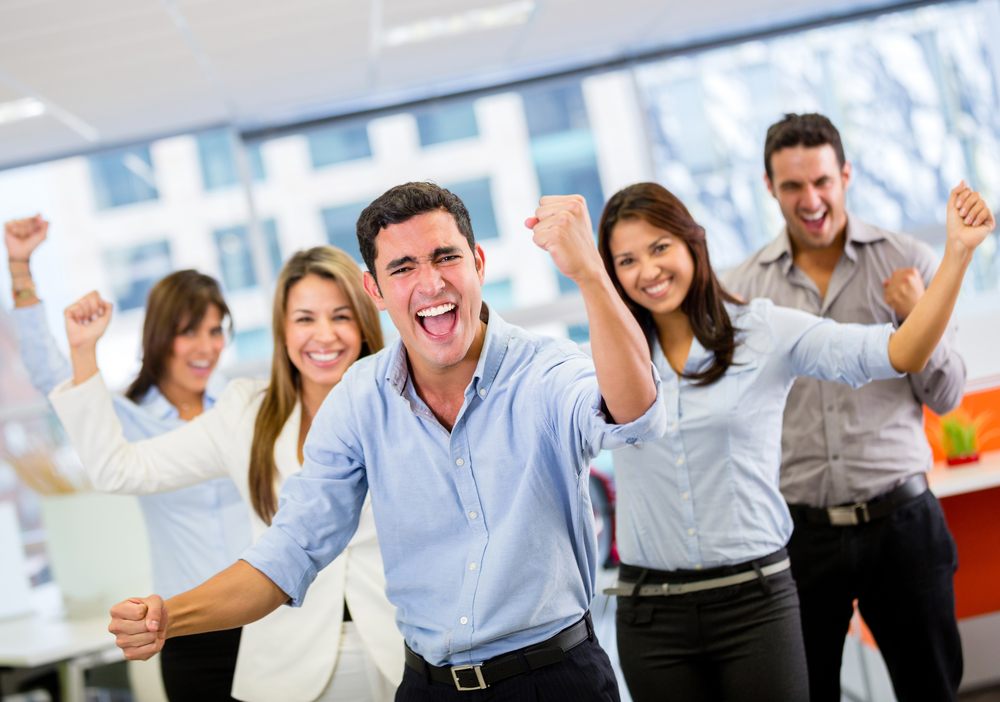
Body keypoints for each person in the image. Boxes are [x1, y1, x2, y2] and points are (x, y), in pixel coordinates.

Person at [80, 182, 665, 701]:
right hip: (426, 687)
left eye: (446, 257)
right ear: (376, 290)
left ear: (479, 262)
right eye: (403, 268)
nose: (431, 283)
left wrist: (589, 274)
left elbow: (634, 414)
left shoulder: (544, 370)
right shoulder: (360, 398)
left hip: (555, 679)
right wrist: (169, 615)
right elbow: (292, 548)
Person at [596, 179, 992, 701]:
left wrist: (958, 254)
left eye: (659, 247)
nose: (647, 271)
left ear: (692, 242)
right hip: (652, 615)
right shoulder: (608, 361)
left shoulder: (761, 331)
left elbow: (902, 352)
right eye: (626, 261)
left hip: (755, 602)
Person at [50, 247, 403, 701]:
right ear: (282, 329)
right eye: (305, 319)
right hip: (287, 665)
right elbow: (117, 469)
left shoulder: (403, 402)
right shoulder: (245, 412)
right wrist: (83, 352)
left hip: (399, 650)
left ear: (365, 323)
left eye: (341, 317)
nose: (324, 335)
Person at [723, 112, 971, 702]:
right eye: (792, 185)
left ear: (846, 176)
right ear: (769, 186)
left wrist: (915, 316)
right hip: (798, 535)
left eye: (822, 182)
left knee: (932, 689)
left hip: (902, 524)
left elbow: (946, 395)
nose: (810, 200)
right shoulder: (744, 290)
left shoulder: (909, 262)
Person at [5, 215, 252, 700]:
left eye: (215, 331)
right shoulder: (127, 421)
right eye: (189, 332)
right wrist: (20, 268)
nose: (206, 347)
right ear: (160, 337)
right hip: (190, 632)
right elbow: (50, 375)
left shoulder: (241, 409)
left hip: (267, 619)